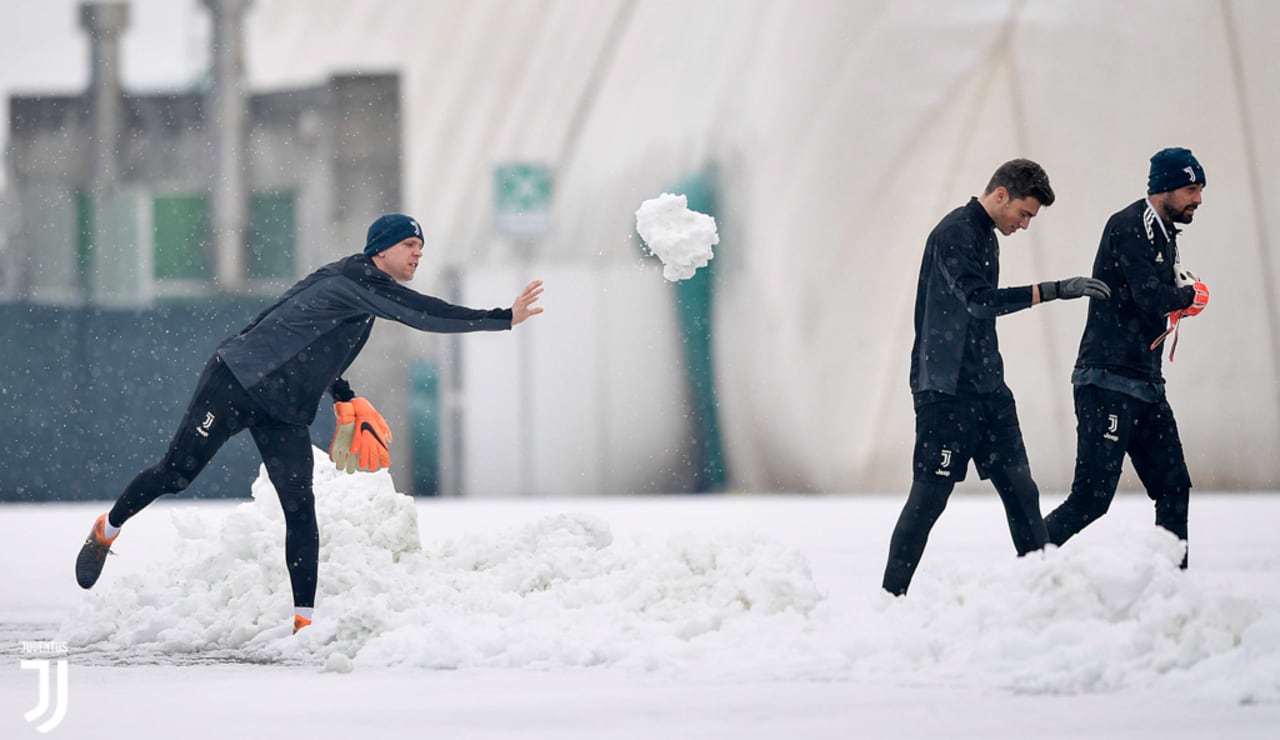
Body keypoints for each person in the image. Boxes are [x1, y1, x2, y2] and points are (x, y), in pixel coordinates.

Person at [75, 213, 545, 633]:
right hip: (236, 381)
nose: (418, 253)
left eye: (421, 248)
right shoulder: (356, 281)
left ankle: (304, 622)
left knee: (301, 506)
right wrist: (501, 318)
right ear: (381, 249)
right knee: (175, 474)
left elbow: (315, 342)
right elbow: (424, 314)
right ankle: (107, 529)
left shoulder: (365, 295)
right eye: (409, 246)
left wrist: (342, 395)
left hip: (284, 410)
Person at [882, 158, 1111, 596]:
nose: (1025, 225)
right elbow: (980, 302)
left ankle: (1043, 593)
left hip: (989, 390)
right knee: (929, 499)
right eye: (1024, 214)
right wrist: (1054, 289)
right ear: (1000, 195)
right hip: (945, 392)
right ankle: (890, 601)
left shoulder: (988, 237)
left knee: (1022, 491)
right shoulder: (955, 233)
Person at [1044, 148, 1210, 567]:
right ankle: (1023, 570)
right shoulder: (1129, 225)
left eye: (1201, 190)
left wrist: (1180, 299)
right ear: (1165, 188)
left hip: (1147, 384)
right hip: (1107, 381)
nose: (1199, 200)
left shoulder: (1166, 234)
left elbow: (1151, 298)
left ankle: (1172, 592)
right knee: (1091, 500)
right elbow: (1148, 296)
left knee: (1173, 488)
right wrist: (1190, 297)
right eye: (1192, 189)